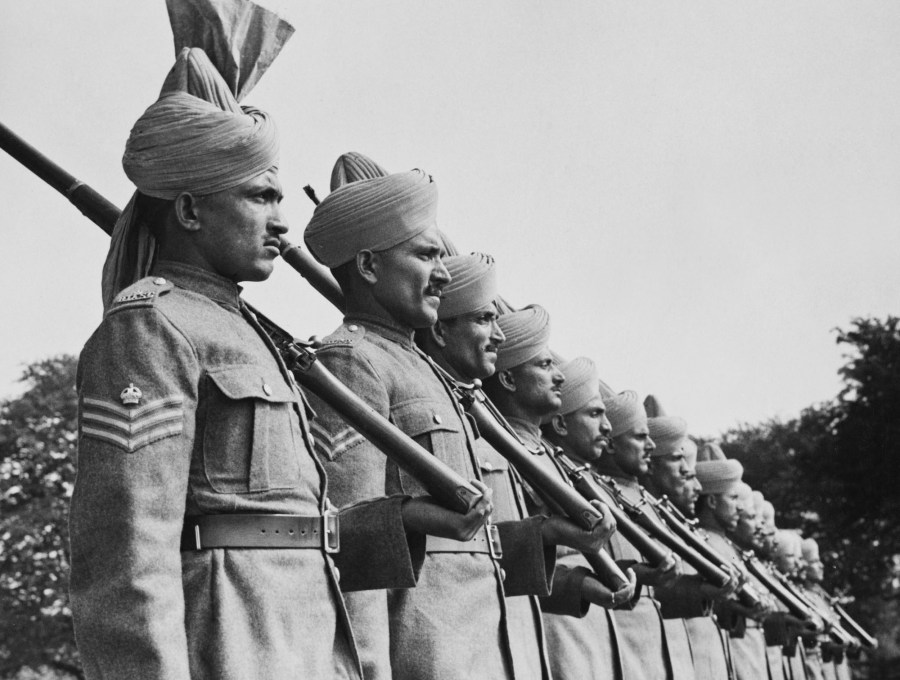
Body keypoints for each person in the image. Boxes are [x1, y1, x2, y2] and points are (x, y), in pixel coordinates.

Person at [68, 31, 428, 679]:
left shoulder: (252, 332)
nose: (283, 222)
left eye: (280, 198)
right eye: (260, 197)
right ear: (189, 210)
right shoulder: (150, 328)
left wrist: (406, 522)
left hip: (307, 649)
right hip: (230, 649)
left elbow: (287, 526)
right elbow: (124, 554)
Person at [302, 162, 512, 680]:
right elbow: (351, 539)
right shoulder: (350, 361)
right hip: (420, 656)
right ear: (369, 266)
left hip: (476, 650)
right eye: (425, 255)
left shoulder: (424, 369)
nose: (443, 273)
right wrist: (367, 669)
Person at [418, 254, 618, 680]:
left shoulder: (489, 426)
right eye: (545, 365)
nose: (559, 377)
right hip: (459, 646)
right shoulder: (473, 425)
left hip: (518, 644)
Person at [643, 396, 733, 680]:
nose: (688, 475)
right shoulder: (640, 512)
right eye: (675, 458)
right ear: (650, 463)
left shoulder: (668, 520)